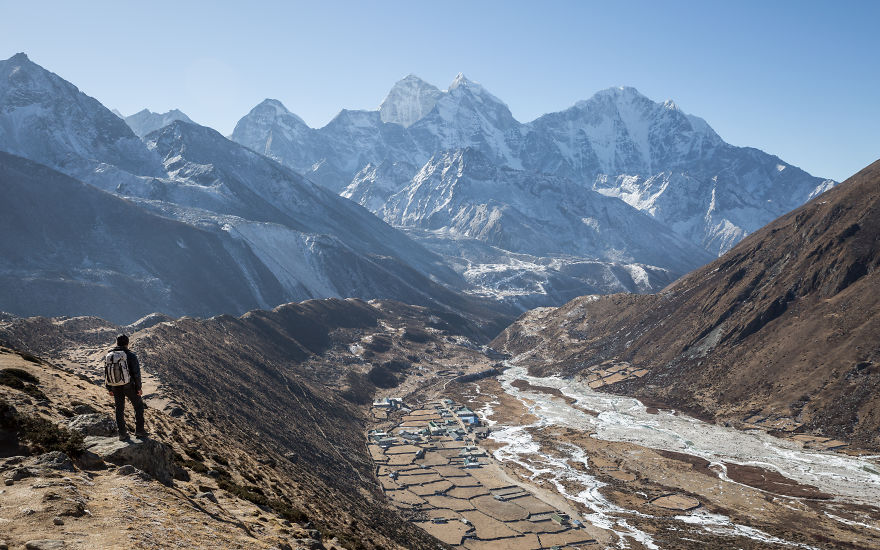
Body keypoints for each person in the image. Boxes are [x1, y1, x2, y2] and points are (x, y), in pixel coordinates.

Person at [105, 334, 146, 440]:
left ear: (117, 342)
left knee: (119, 409)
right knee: (138, 406)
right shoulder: (130, 355)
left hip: (115, 385)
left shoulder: (110, 354)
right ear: (127, 343)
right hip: (128, 385)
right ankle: (140, 431)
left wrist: (109, 388)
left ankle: (122, 434)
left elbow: (106, 372)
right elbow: (136, 373)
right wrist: (138, 388)